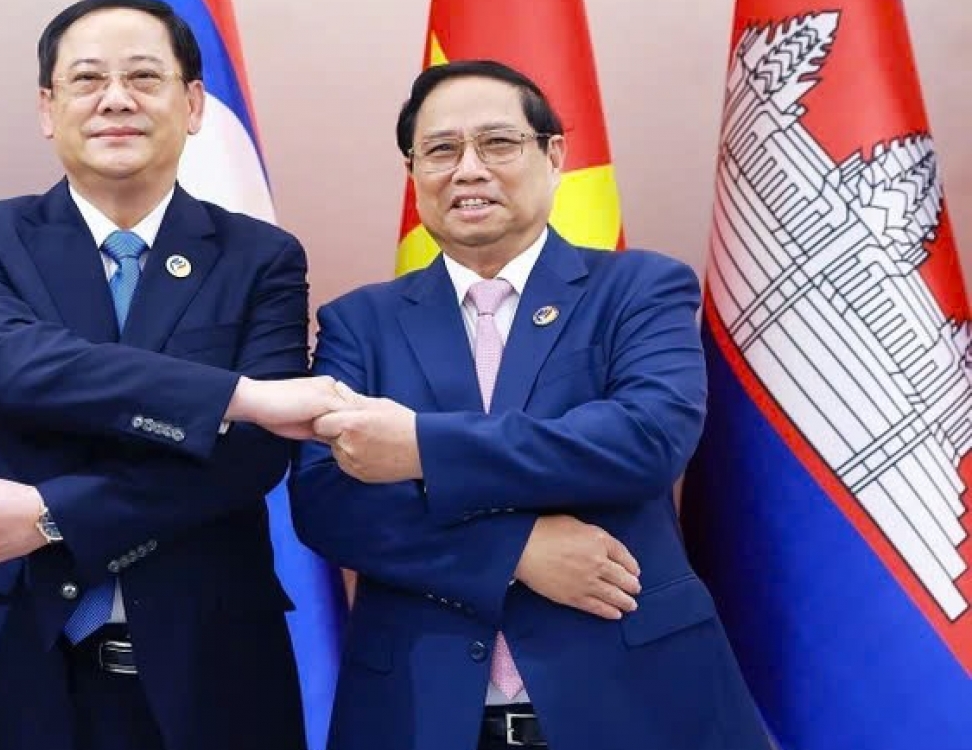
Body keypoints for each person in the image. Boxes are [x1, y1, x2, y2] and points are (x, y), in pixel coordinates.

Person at [290, 60, 766, 750]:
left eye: (499, 143)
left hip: (635, 700)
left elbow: (644, 439)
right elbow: (330, 502)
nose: (469, 169)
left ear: (554, 155)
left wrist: (421, 447)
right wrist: (513, 551)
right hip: (423, 707)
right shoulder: (361, 323)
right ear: (414, 172)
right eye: (441, 150)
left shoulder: (638, 289)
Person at [0, 0, 340, 750]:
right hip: (23, 644)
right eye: (87, 80)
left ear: (193, 104)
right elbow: (20, 371)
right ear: (49, 108)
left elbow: (251, 455)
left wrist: (52, 516)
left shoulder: (261, 257)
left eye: (144, 78)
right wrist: (234, 397)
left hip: (214, 657)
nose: (116, 99)